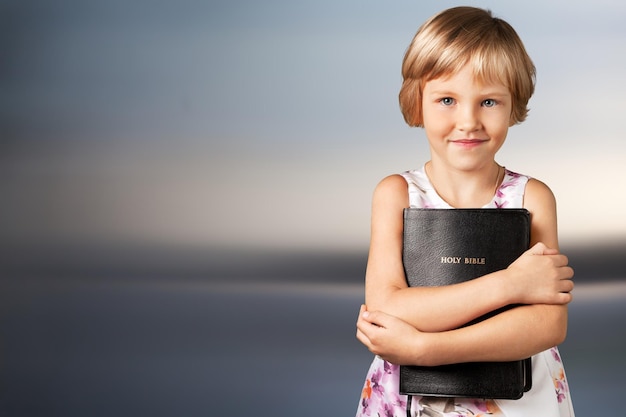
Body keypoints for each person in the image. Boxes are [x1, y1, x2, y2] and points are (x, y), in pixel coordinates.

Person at [354, 6, 575, 417]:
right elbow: (386, 308)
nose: (468, 120)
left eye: (488, 100)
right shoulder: (396, 194)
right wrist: (510, 284)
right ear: (417, 102)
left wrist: (425, 347)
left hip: (516, 403)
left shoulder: (531, 198)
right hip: (412, 401)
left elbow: (548, 325)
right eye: (447, 99)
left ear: (514, 105)